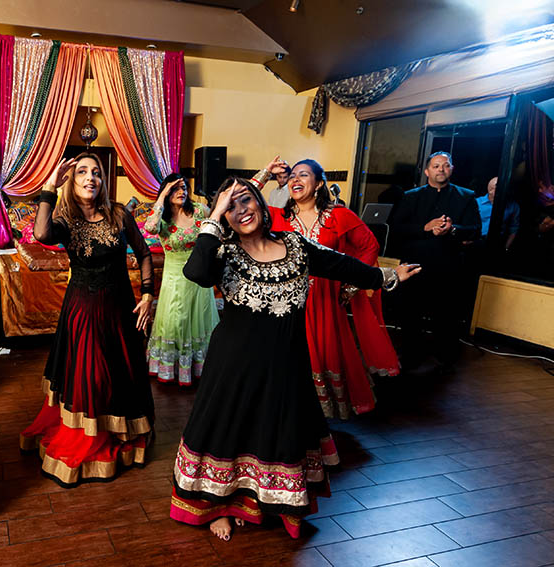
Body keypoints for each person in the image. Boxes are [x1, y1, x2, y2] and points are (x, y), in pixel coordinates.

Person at [170, 177, 420, 541]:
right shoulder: (224, 255)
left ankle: (256, 503)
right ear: (223, 216)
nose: (242, 211)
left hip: (286, 364)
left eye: (247, 201)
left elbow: (341, 266)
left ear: (261, 202)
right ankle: (216, 507)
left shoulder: (293, 245)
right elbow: (196, 272)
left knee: (272, 432)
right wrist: (215, 214)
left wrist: (387, 277)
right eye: (232, 206)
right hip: (234, 367)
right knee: (225, 435)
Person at [20, 152, 156, 486]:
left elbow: (144, 253)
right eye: (82, 172)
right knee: (92, 376)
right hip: (83, 311)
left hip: (121, 309)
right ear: (72, 180)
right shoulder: (65, 220)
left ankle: (117, 430)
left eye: (95, 172)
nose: (90, 177)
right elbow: (41, 234)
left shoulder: (119, 214)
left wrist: (149, 295)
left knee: (120, 373)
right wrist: (49, 187)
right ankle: (90, 436)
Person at [258, 158, 400, 419]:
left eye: (303, 175)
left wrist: (353, 286)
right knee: (290, 355)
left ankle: (321, 415)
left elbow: (370, 246)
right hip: (289, 302)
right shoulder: (279, 218)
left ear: (319, 183)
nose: (295, 180)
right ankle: (289, 409)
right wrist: (266, 172)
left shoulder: (339, 216)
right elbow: (239, 198)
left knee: (324, 353)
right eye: (292, 176)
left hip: (325, 299)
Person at [390, 151, 480, 370]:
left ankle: (445, 356)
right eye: (436, 166)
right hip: (415, 264)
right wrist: (425, 227)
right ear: (427, 171)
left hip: (448, 264)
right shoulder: (410, 196)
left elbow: (475, 230)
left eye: (446, 165)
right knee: (411, 313)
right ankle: (411, 353)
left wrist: (453, 230)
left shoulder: (466, 196)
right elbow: (396, 229)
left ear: (452, 169)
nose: (441, 169)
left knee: (447, 314)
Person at [144, 173, 219, 385]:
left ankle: (198, 369)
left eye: (184, 187)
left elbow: (216, 232)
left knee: (200, 322)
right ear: (166, 191)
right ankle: (170, 370)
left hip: (199, 278)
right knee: (174, 322)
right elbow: (149, 228)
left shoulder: (200, 211)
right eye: (175, 188)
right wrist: (161, 198)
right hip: (174, 278)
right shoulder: (162, 218)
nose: (182, 191)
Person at [476, 176, 520, 249]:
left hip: (498, 243)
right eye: (496, 187)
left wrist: (506, 248)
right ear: (490, 189)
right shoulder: (477, 203)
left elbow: (514, 229)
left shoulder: (513, 206)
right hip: (477, 241)